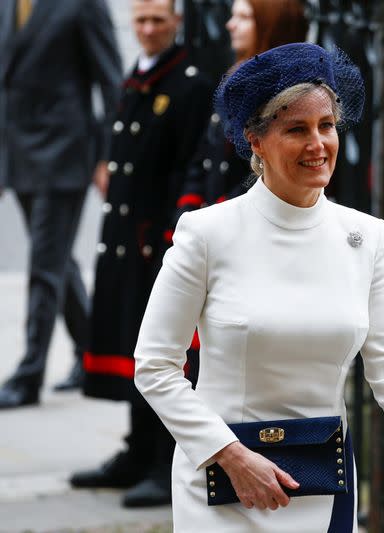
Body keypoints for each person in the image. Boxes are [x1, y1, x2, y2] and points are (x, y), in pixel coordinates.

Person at [133, 42, 384, 532]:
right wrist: (230, 455)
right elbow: (155, 366)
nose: (318, 144)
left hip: (321, 486)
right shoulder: (206, 234)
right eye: (296, 129)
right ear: (256, 140)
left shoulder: (365, 236)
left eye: (326, 126)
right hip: (224, 486)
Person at [69, 0, 213, 508]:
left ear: (176, 21)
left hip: (158, 238)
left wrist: (175, 231)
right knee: (134, 343)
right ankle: (135, 450)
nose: (148, 30)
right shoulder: (139, 73)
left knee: (163, 351)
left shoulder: (190, 82)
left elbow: (190, 163)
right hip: (128, 233)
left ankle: (161, 459)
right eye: (141, 21)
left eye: (158, 20)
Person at [0, 0, 122, 408]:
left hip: (63, 150)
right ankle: (91, 353)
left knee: (44, 265)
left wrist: (109, 155)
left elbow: (110, 81)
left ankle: (29, 375)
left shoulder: (83, 4)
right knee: (54, 259)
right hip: (17, 150)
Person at [174, 0, 308, 226]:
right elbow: (205, 156)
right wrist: (188, 212)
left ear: (270, 24)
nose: (230, 25)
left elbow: (267, 170)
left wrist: (221, 213)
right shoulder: (235, 79)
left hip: (250, 223)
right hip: (214, 217)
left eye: (244, 17)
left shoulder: (285, 92)